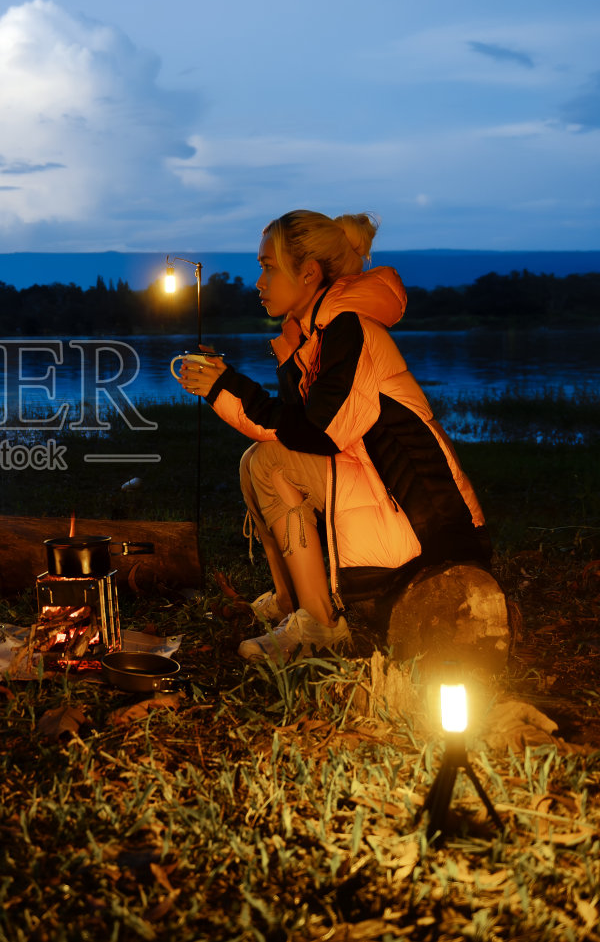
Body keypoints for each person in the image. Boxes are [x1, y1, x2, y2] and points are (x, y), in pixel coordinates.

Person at [176, 210, 489, 662]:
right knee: (254, 461)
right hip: (376, 487)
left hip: (428, 525)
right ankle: (293, 601)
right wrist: (231, 381)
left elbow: (317, 434)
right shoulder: (311, 337)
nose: (258, 282)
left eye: (267, 267)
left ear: (308, 274)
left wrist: (227, 386)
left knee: (270, 462)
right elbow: (289, 424)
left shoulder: (350, 330)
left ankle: (320, 623)